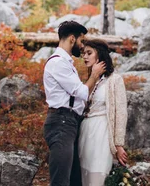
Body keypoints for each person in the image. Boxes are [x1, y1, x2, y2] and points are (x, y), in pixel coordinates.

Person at [43, 21, 106, 186]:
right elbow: (81, 92)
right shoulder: (58, 62)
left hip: (68, 122)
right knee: (61, 180)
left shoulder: (66, 63)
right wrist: (94, 75)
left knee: (74, 179)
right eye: (81, 41)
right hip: (62, 123)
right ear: (72, 39)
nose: (82, 45)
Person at [78, 39, 128, 186]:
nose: (85, 57)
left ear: (100, 55)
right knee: (84, 178)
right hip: (85, 133)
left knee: (98, 177)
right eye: (83, 53)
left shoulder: (114, 80)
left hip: (102, 133)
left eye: (89, 53)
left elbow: (121, 113)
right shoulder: (91, 81)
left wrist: (118, 144)